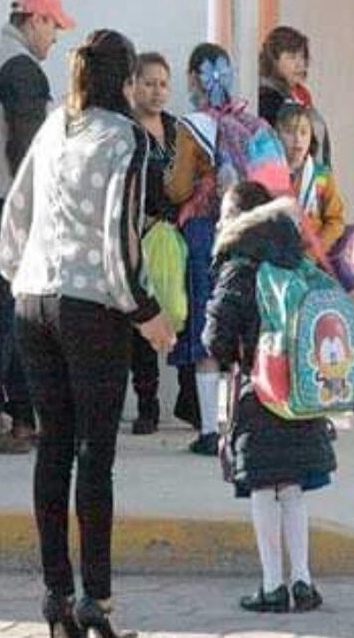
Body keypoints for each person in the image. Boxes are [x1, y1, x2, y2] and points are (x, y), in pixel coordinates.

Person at [0, 29, 174, 638]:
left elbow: (16, 211)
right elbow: (119, 234)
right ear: (125, 82)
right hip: (91, 306)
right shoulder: (127, 138)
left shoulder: (54, 127)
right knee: (95, 456)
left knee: (53, 447)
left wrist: (21, 275)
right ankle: (96, 599)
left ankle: (56, 596)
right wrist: (144, 311)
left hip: (32, 298)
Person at [203, 181, 335, 613]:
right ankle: (303, 581)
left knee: (263, 487)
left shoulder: (239, 267)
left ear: (239, 219)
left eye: (225, 214)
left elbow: (216, 339)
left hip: (257, 392)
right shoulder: (295, 259)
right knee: (293, 487)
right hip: (301, 391)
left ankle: (273, 585)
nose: (219, 222)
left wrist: (232, 353)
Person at [0, 0, 75, 454]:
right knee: (9, 314)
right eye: (54, 26)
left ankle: (19, 416)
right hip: (11, 206)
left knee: (12, 311)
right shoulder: (20, 68)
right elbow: (27, 149)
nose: (56, 38)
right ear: (35, 19)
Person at [165, 43, 286, 455]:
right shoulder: (254, 125)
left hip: (206, 235)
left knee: (208, 327)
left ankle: (209, 430)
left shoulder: (193, 127)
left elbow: (178, 188)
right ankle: (246, 421)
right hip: (250, 235)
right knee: (247, 328)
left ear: (192, 79)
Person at [127, 52, 199, 435]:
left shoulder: (177, 131)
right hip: (140, 237)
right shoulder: (126, 131)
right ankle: (147, 405)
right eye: (149, 83)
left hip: (177, 237)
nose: (156, 91)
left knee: (184, 313)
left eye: (163, 84)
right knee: (143, 319)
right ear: (133, 85)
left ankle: (189, 400)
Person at [276, 104, 346, 258]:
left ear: (311, 136)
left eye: (303, 132)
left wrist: (314, 250)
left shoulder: (321, 176)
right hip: (278, 260)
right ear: (277, 135)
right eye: (289, 132)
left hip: (312, 261)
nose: (297, 139)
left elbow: (336, 221)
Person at [258, 25, 332, 166]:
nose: (300, 64)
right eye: (291, 57)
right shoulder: (267, 100)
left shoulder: (301, 96)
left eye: (302, 57)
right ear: (273, 60)